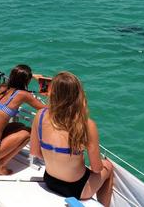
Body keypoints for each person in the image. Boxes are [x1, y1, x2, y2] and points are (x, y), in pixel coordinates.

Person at [30, 72, 114, 206]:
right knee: (108, 166)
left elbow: (35, 152)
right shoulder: (86, 124)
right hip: (76, 189)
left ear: (53, 93)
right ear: (78, 95)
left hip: (50, 180)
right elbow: (97, 169)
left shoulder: (40, 115)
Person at [0, 64, 46, 175]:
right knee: (28, 133)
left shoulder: (2, 88)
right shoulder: (23, 94)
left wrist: (31, 76)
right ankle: (0, 166)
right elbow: (45, 109)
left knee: (18, 126)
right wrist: (47, 90)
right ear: (26, 80)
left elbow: (15, 80)